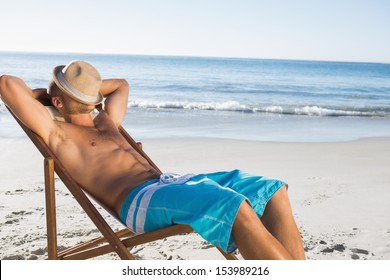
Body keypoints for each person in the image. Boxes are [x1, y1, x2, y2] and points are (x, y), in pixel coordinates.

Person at [0, 60, 305, 260]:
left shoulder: (106, 121)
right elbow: (6, 84)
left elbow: (121, 84)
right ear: (56, 102)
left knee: (272, 190)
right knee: (233, 205)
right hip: (140, 202)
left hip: (169, 183)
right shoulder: (57, 132)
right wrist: (44, 95)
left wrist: (81, 92)